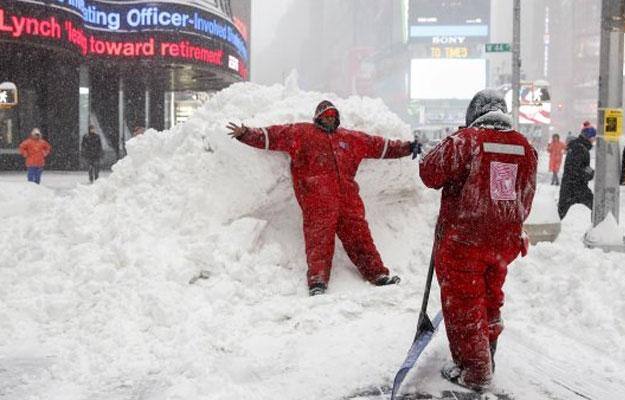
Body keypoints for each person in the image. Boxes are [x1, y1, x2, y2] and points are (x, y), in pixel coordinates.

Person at [227, 100, 421, 296]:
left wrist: (407, 147)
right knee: (318, 240)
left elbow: (379, 145)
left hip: (348, 199)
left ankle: (377, 274)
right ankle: (317, 281)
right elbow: (274, 135)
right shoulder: (302, 133)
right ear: (317, 117)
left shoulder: (350, 138)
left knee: (360, 237)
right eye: (326, 116)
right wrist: (246, 134)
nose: (330, 119)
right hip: (316, 200)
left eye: (333, 116)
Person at [419, 90, 537, 391]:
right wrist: (506, 225)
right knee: (489, 300)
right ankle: (488, 353)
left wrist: (447, 143)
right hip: (502, 242)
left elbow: (429, 173)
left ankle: (475, 372)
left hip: (464, 242)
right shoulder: (525, 147)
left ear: (475, 113)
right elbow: (526, 197)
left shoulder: (466, 140)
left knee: (464, 305)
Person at [558, 124, 596, 219]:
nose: (593, 140)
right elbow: (574, 169)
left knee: (559, 213)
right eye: (593, 137)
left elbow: (578, 167)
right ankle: (601, 229)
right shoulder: (580, 148)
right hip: (576, 187)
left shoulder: (578, 146)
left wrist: (588, 172)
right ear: (588, 137)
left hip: (570, 186)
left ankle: (545, 228)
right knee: (597, 208)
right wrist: (589, 174)